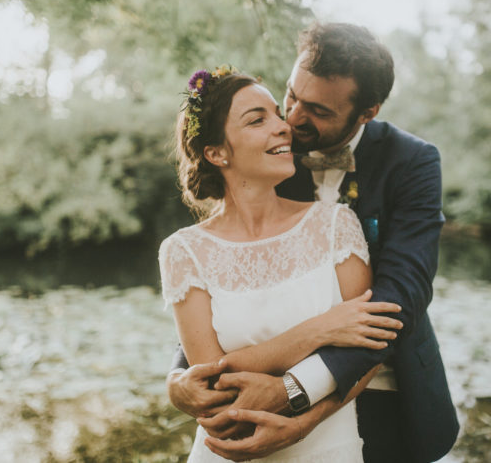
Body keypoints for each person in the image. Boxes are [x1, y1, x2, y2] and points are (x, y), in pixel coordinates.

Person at [167, 24, 460, 463]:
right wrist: (178, 376)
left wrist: (299, 404)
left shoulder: (412, 162)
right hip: (259, 377)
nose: (292, 119)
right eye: (291, 95)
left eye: (318, 110)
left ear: (367, 112)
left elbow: (401, 296)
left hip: (379, 377)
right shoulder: (274, 153)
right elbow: (234, 278)